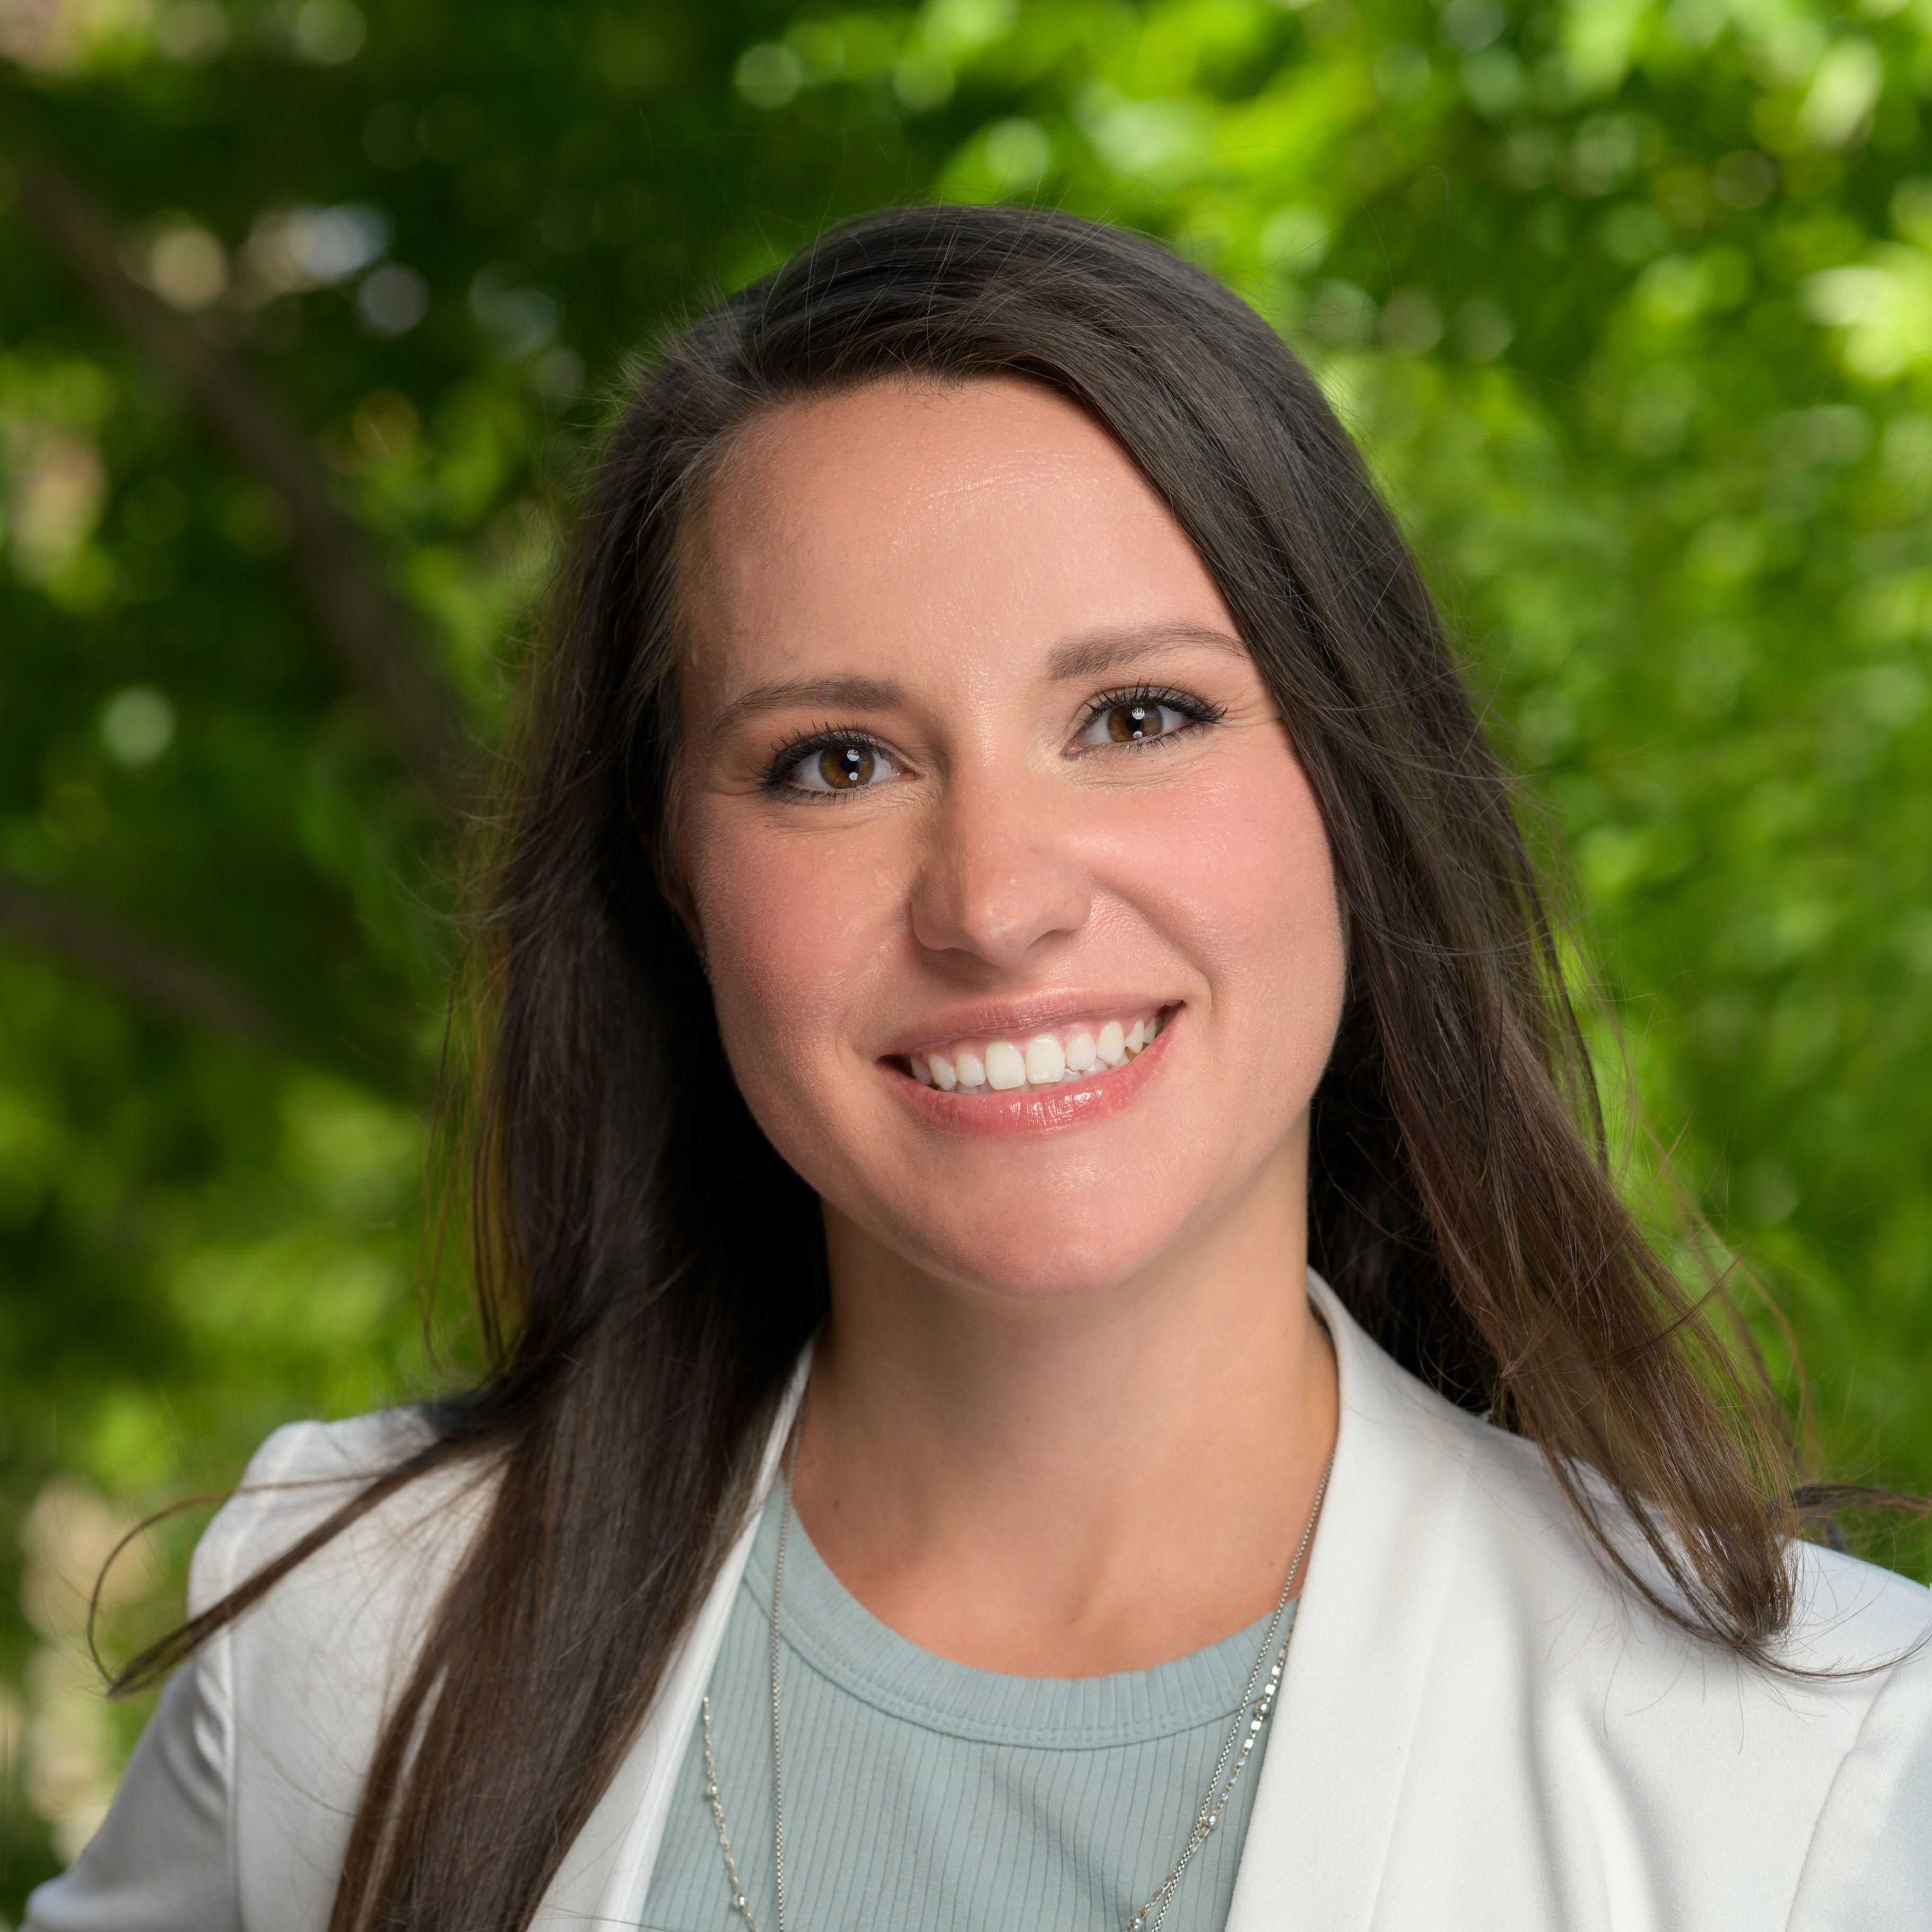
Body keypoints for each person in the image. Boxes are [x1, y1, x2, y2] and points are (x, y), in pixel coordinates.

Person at [27, 203, 1931, 1932]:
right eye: (834, 760)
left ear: (1354, 787)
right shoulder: (355, 1643)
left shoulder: (1822, 1782)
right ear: (670, 875)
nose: (996, 903)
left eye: (1136, 714)